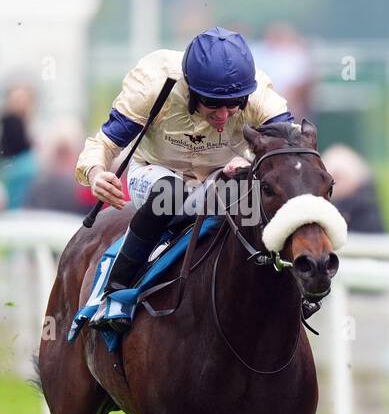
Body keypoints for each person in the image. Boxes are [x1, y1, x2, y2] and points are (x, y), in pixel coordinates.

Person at [75, 26, 294, 321]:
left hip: (221, 178)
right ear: (190, 89)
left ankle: (287, 294)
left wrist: (253, 166)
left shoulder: (258, 94)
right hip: (156, 173)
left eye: (233, 105)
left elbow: (293, 152)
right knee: (170, 191)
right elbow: (104, 143)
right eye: (212, 104)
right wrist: (96, 173)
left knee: (257, 198)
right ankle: (115, 293)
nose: (223, 115)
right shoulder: (155, 83)